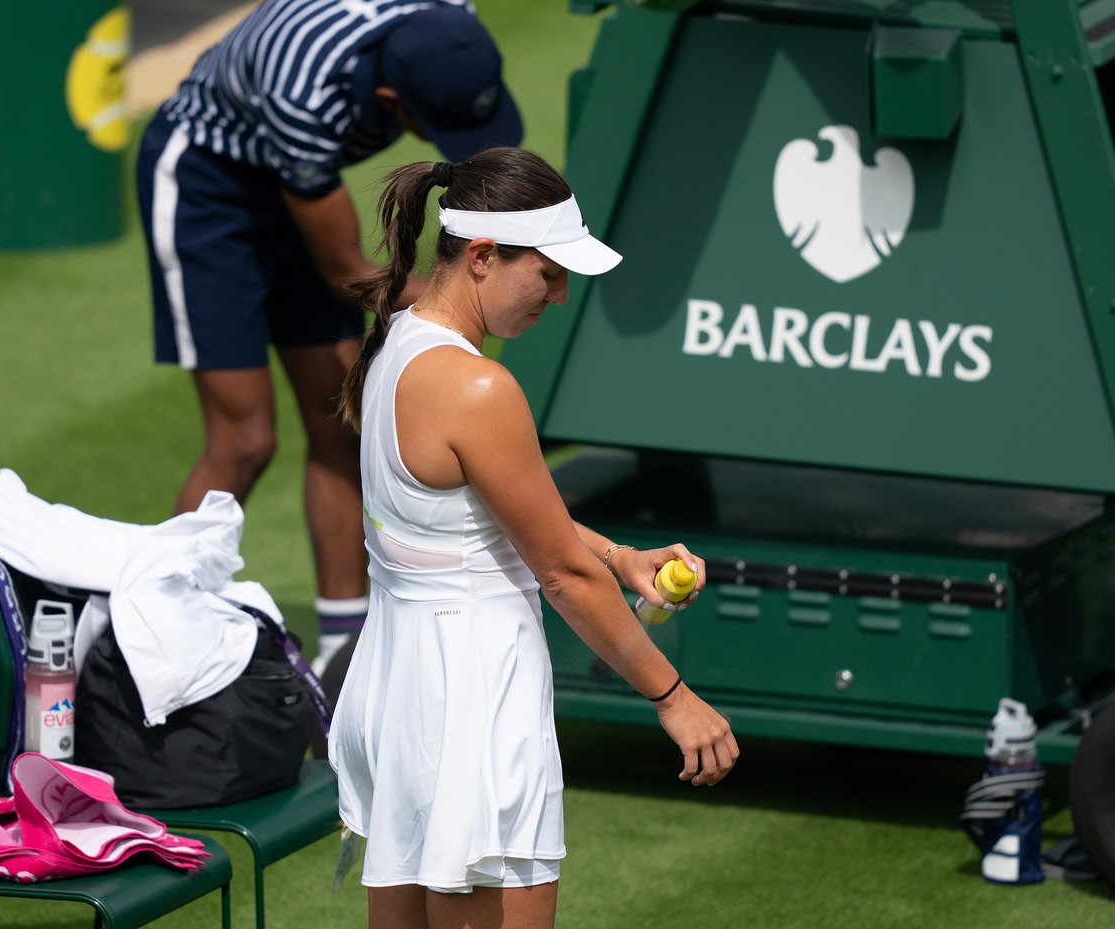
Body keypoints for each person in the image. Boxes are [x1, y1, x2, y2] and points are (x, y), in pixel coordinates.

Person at [328, 147, 739, 929]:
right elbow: (559, 572)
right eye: (547, 275)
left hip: (403, 688)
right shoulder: (480, 387)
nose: (558, 296)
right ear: (482, 256)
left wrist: (619, 557)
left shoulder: (397, 339)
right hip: (472, 696)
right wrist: (673, 696)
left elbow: (499, 516)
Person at [135, 0, 524, 673]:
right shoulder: (303, 89)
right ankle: (146, 636)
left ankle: (344, 656)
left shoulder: (449, 21)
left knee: (340, 420)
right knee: (245, 437)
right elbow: (351, 271)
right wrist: (480, 301)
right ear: (385, 95)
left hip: (296, 176)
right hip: (208, 187)